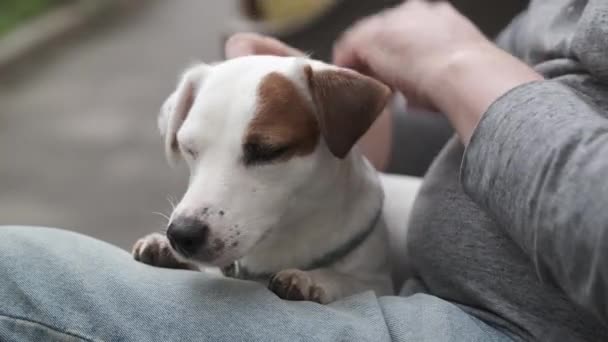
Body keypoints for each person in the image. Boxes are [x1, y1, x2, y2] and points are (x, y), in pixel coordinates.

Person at [2, 0, 607, 340]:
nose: (192, 205)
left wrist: (456, 63)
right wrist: (334, 107)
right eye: (191, 149)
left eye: (261, 152)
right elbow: (469, 134)